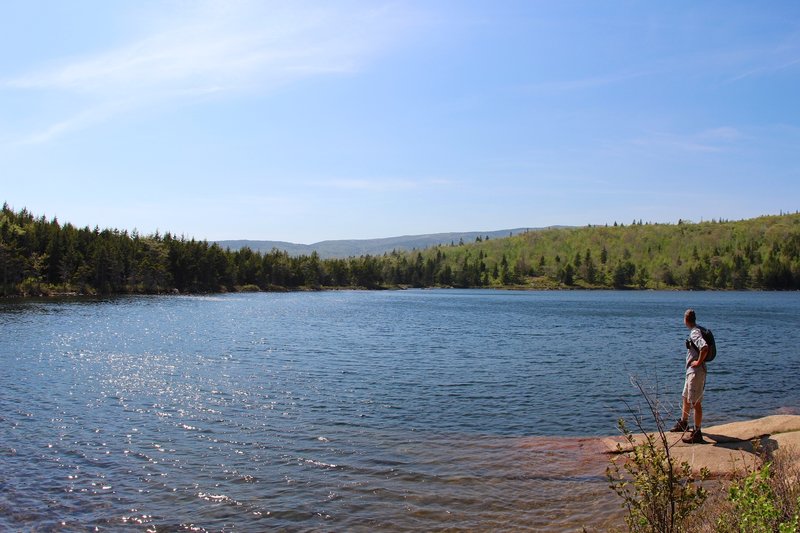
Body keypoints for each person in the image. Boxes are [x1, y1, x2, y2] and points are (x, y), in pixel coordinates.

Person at [669, 308, 709, 444]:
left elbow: (704, 347)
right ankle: (683, 423)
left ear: (685, 320)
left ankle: (697, 432)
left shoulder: (694, 333)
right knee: (685, 397)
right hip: (691, 371)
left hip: (696, 372)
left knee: (695, 403)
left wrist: (698, 362)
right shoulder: (697, 329)